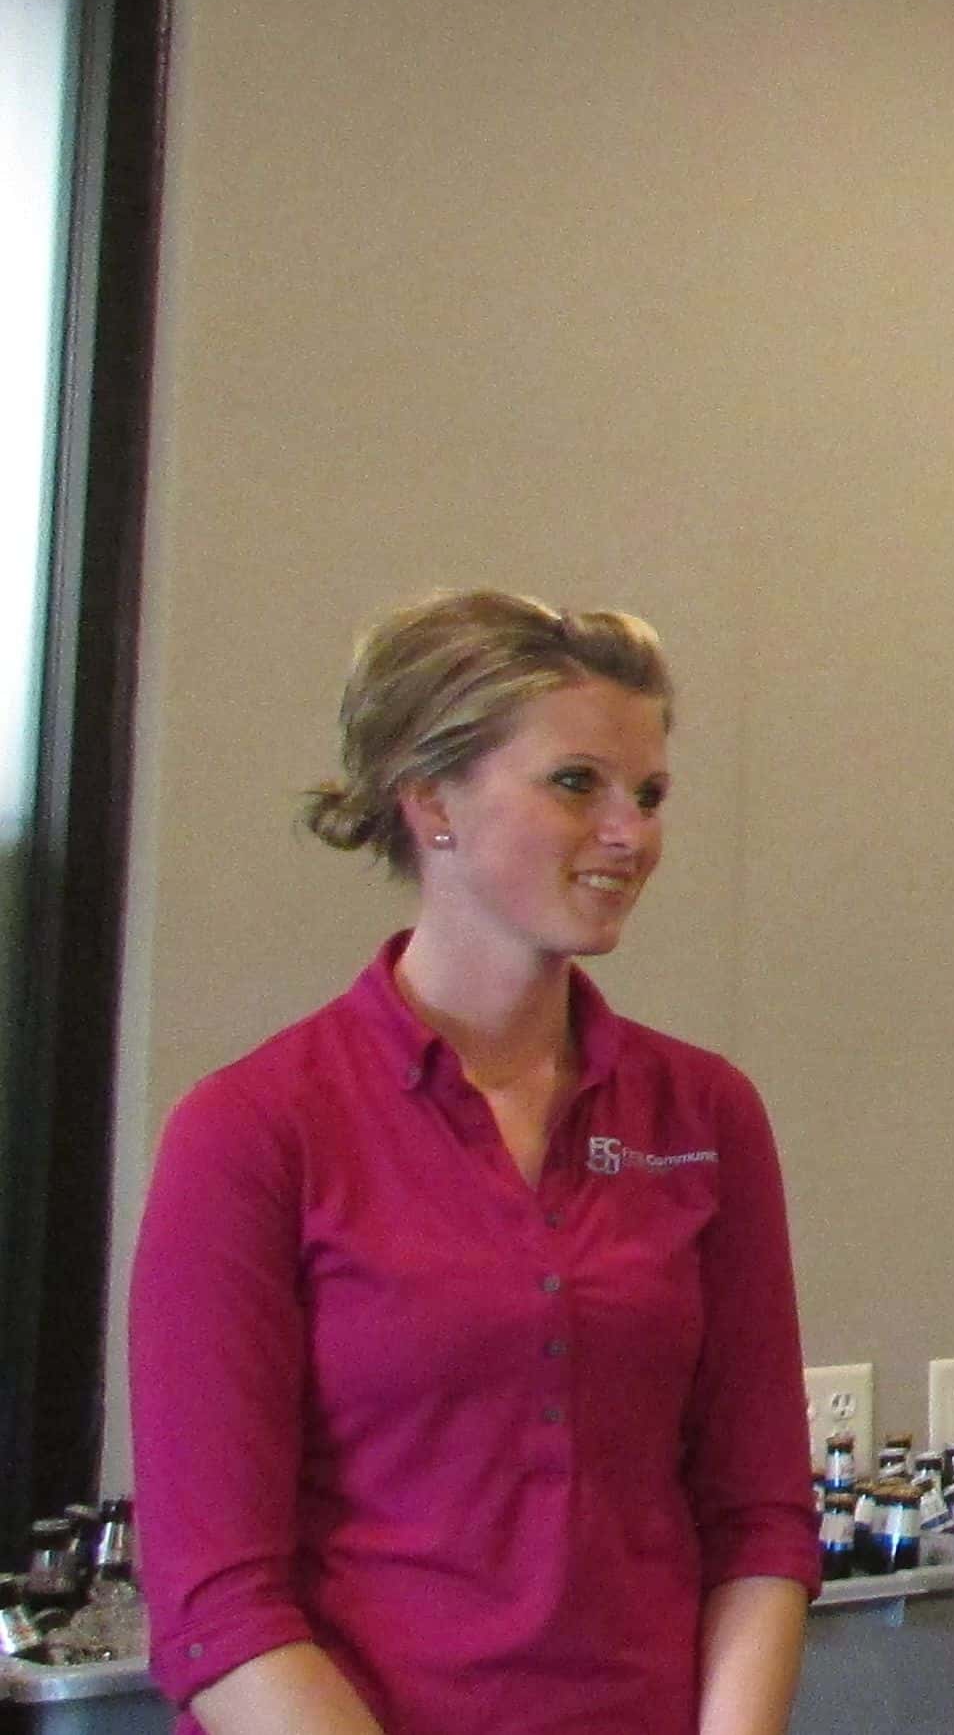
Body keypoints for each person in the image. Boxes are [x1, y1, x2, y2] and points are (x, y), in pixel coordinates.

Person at [129, 591, 817, 1735]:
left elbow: (760, 1519)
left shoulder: (705, 1113)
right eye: (577, 784)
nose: (631, 834)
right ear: (431, 801)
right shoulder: (252, 1130)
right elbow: (218, 1607)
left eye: (649, 795)